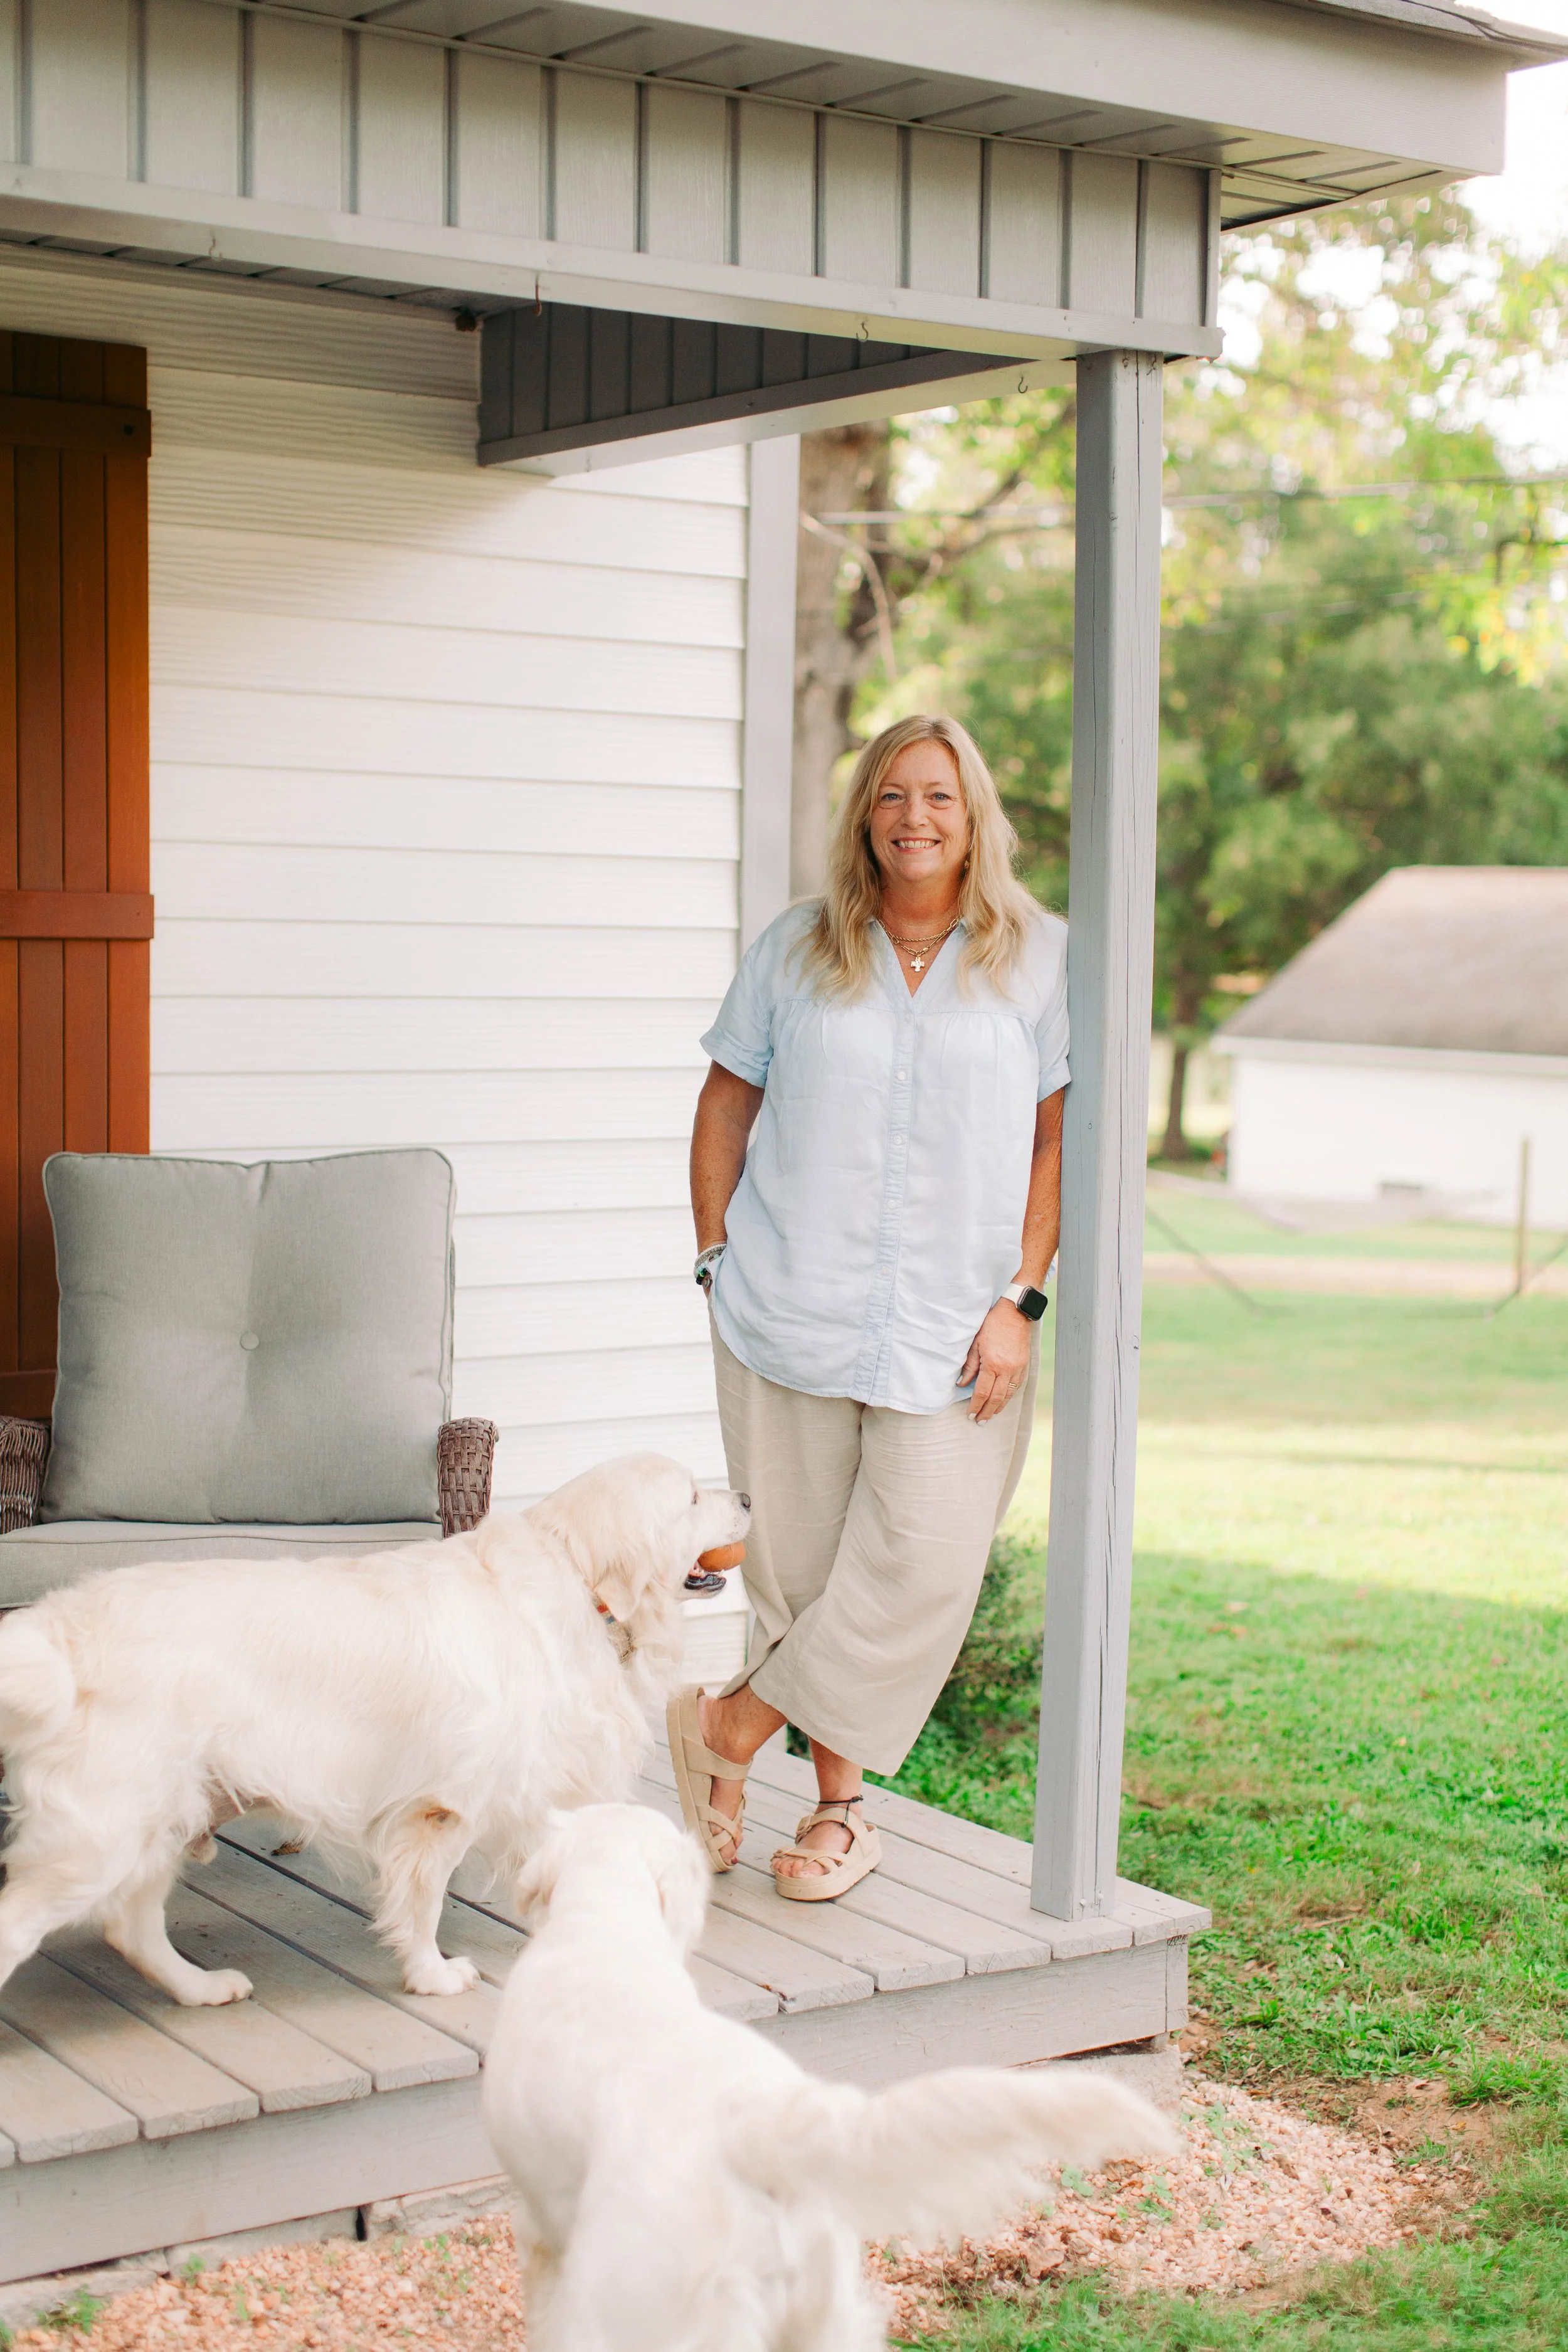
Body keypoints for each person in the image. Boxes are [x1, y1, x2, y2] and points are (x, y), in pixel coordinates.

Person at [670, 714, 1066, 1900]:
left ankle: (723, 1733)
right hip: (790, 1304)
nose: (914, 818)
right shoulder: (797, 949)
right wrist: (712, 1254)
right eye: (892, 795)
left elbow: (1058, 1140)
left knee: (923, 1566)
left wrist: (1023, 1297)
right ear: (865, 816)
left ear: (975, 814)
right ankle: (842, 1816)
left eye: (939, 797)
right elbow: (725, 1100)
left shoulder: (1040, 956)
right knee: (799, 1574)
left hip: (961, 1325)